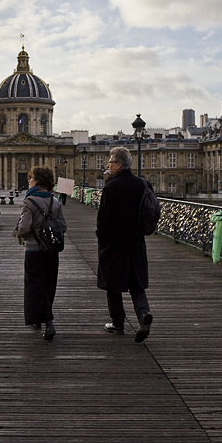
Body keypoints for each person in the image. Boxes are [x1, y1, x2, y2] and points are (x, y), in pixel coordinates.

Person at [96, 146, 153, 343]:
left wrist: (101, 239)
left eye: (110, 162)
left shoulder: (110, 187)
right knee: (136, 284)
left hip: (114, 243)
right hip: (136, 241)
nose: (108, 166)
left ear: (119, 165)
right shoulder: (143, 184)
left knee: (113, 284)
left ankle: (118, 323)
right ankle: (143, 314)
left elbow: (103, 219)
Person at [16, 165, 66, 341]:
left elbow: (24, 229)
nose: (28, 181)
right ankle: (41, 318)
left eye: (31, 178)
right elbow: (63, 226)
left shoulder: (29, 202)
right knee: (49, 285)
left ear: (36, 180)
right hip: (52, 250)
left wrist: (23, 229)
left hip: (33, 250)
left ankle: (47, 321)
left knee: (34, 286)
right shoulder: (56, 201)